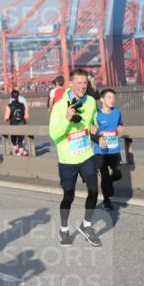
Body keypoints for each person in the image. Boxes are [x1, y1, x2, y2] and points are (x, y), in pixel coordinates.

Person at [49, 68, 102, 246]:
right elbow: (54, 134)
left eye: (84, 83)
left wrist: (95, 130)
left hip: (86, 154)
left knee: (94, 190)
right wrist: (66, 118)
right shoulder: (59, 105)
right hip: (68, 159)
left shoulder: (92, 102)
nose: (82, 86)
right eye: (78, 83)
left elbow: (93, 121)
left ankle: (86, 226)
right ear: (70, 83)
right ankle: (64, 229)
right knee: (68, 196)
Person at [93, 88, 124, 211]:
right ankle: (107, 201)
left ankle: (108, 183)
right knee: (104, 176)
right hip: (101, 151)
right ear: (102, 99)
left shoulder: (117, 112)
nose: (112, 100)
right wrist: (99, 138)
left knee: (118, 173)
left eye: (113, 98)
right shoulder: (96, 115)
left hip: (114, 149)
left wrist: (120, 127)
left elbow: (120, 124)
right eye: (109, 97)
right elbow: (93, 132)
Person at [4, 89, 29, 156]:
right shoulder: (22, 105)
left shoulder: (9, 106)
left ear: (11, 97)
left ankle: (17, 151)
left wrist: (6, 119)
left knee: (13, 139)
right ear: (18, 96)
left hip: (13, 124)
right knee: (20, 139)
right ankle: (21, 151)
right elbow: (26, 116)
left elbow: (6, 117)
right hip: (22, 123)